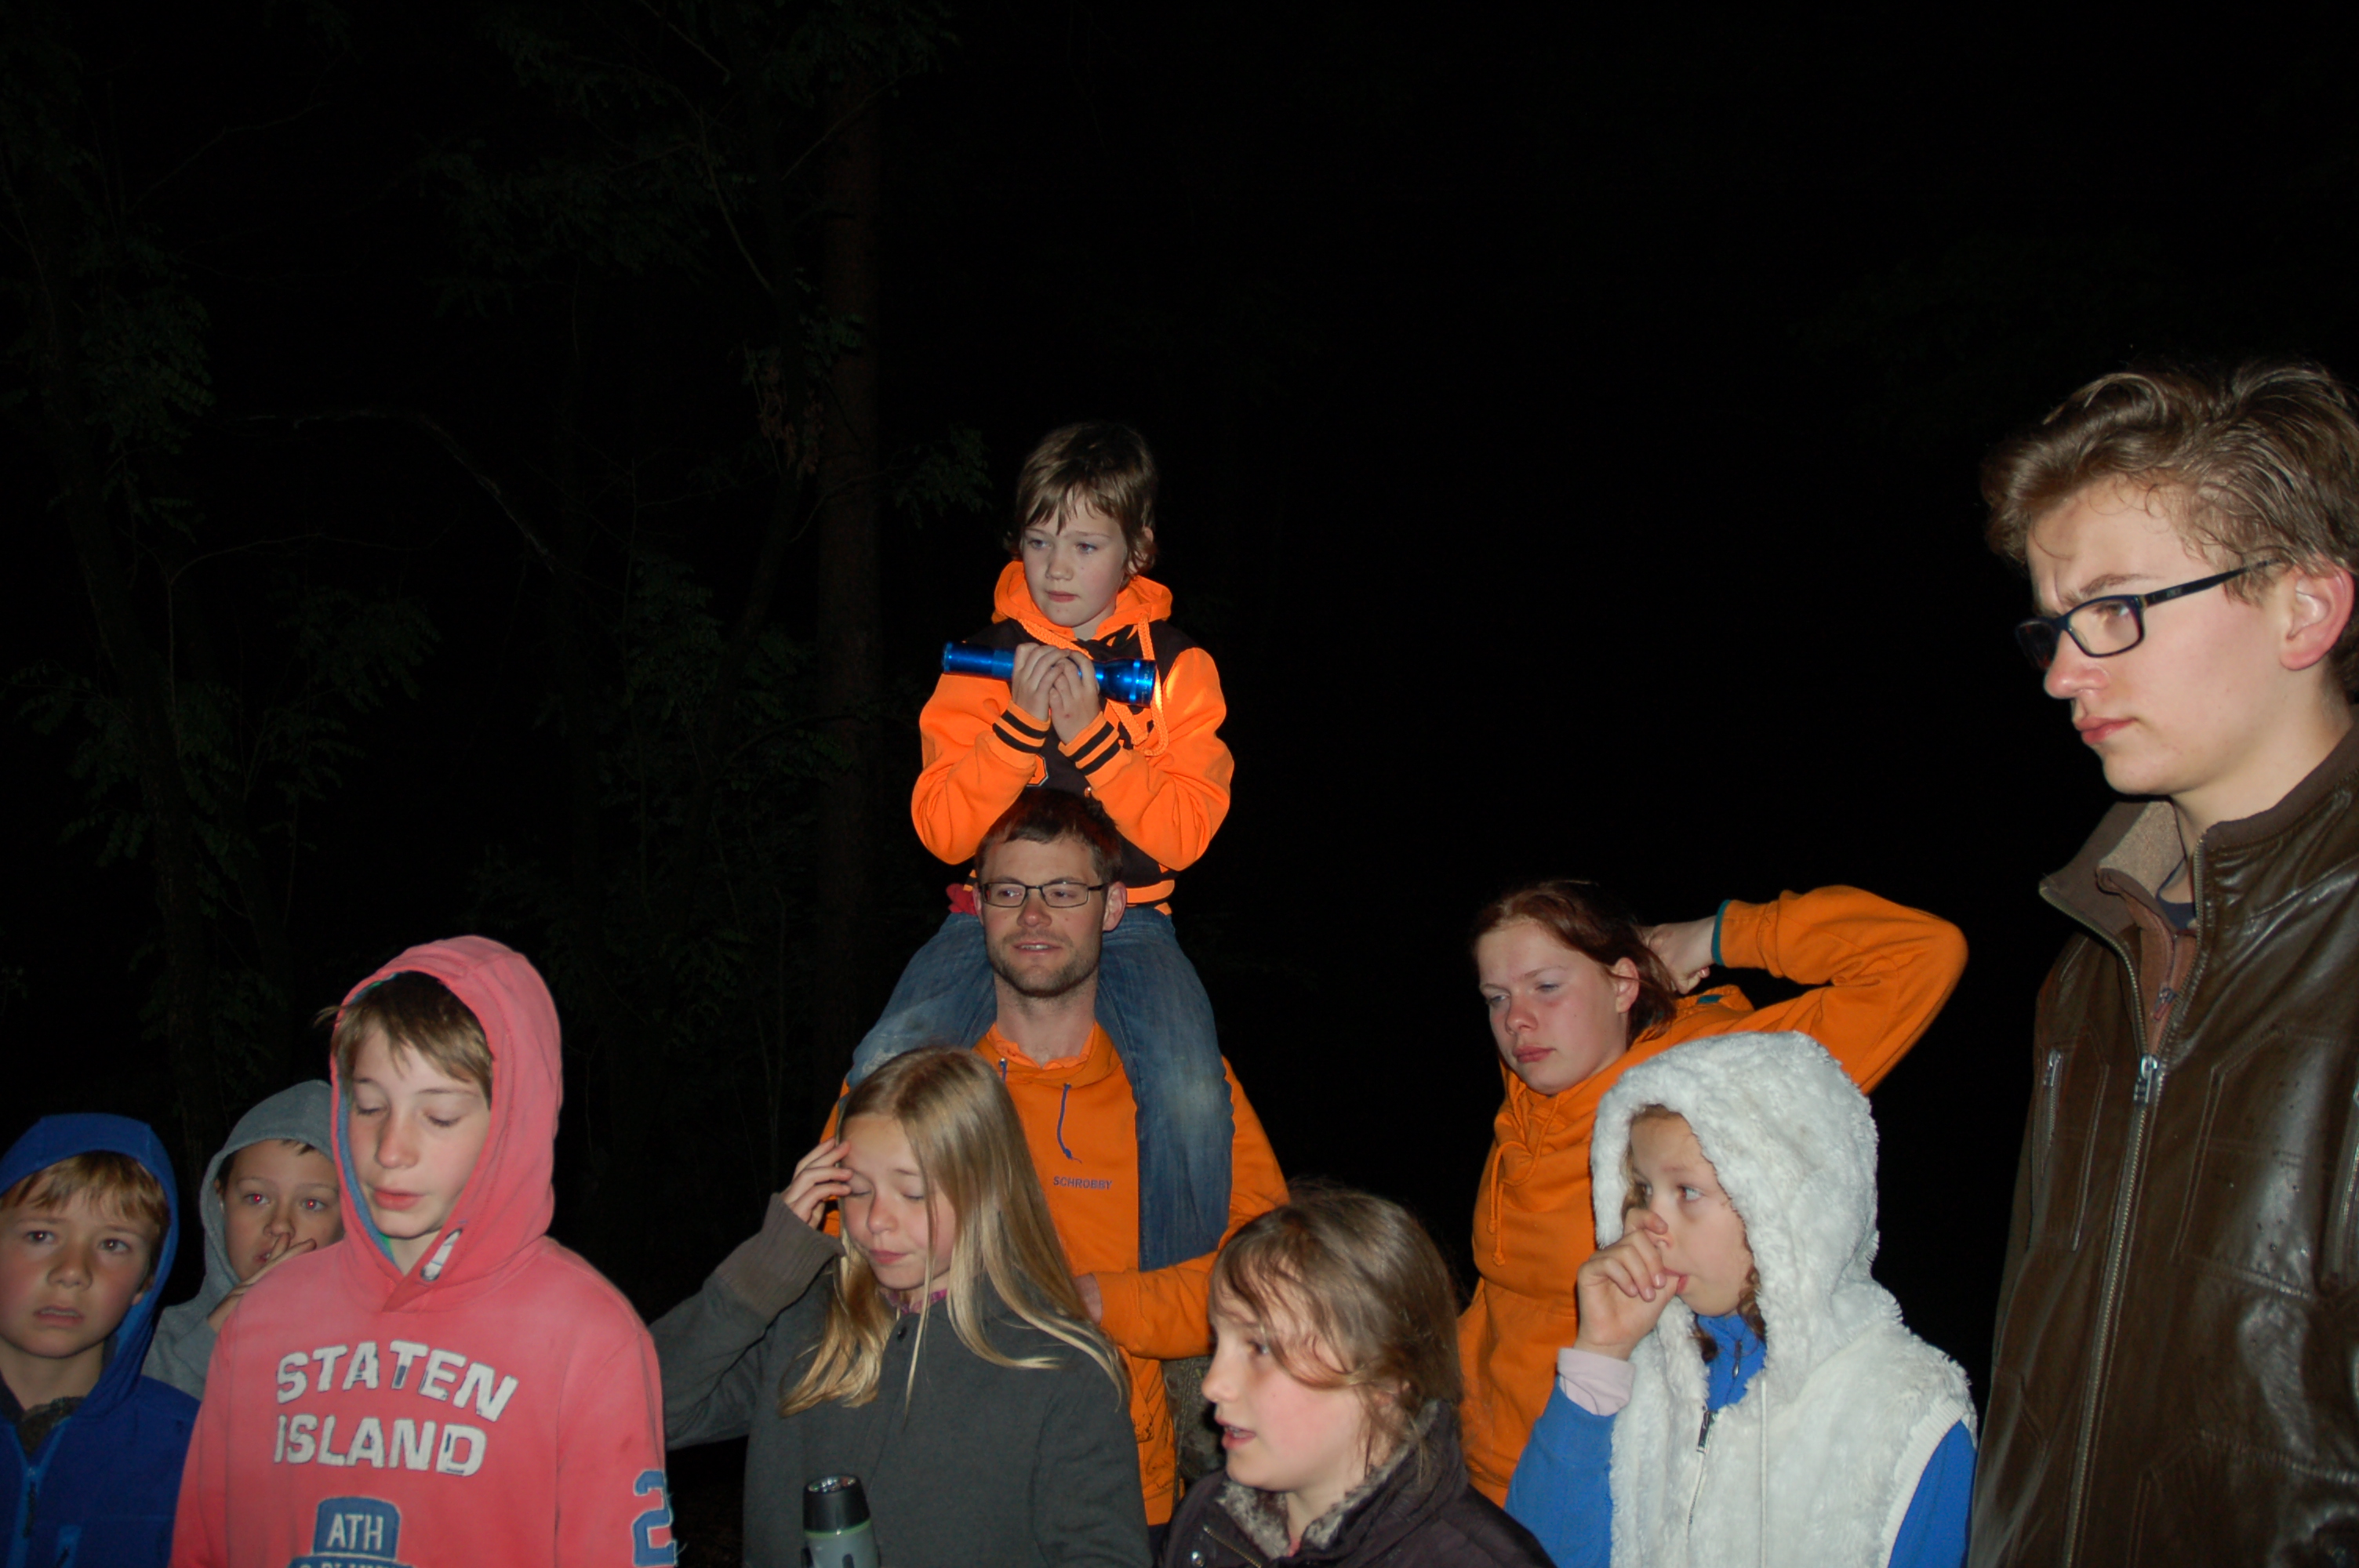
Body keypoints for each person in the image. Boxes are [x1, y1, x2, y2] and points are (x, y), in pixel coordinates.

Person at [1970, 360, 2359, 1563]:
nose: (2062, 672)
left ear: (2304, 609)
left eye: (2116, 608)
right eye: (2053, 624)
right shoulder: (2096, 957)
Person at [832, 789, 1288, 1537]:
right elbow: (828, 1252)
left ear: (1112, 908)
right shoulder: (913, 1087)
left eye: (1064, 892)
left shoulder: (1183, 1090)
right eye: (1009, 892)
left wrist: (1103, 1303)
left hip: (1119, 1488)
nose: (1034, 916)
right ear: (977, 905)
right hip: (930, 1478)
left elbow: (1270, 1271)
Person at [853, 421, 1238, 1279]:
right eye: (1038, 540)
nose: (1056, 568)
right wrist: (1019, 727)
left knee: (1190, 1095)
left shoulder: (1177, 669)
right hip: (982, 917)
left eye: (1086, 544)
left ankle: (1176, 1322)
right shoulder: (979, 662)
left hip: (1130, 922)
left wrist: (1095, 739)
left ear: (1137, 550)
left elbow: (1185, 835)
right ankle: (873, 1292)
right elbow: (942, 831)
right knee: (881, 1063)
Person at [170, 938, 674, 1568]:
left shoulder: (588, 1337)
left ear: (514, 1121)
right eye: (370, 1106)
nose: (390, 1149)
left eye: (438, 1116)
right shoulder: (262, 1321)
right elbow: (202, 1546)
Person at [1458, 880, 1966, 1501]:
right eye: (1496, 997)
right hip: (1478, 1473)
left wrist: (1718, 934)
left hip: (1605, 1488)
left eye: (1546, 986)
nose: (1516, 1020)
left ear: (1622, 985)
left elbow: (1921, 955)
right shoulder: (1529, 1095)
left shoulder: (1715, 1077)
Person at [656, 1047, 1148, 1568]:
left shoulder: (1062, 1371)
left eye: (911, 1193)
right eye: (856, 1190)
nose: (875, 1220)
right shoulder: (805, 1325)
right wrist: (761, 1276)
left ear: (989, 1191)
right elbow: (648, 1411)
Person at [1505, 1031, 1976, 1568]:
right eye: (1643, 1189)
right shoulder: (1640, 1375)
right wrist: (1600, 1355)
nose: (1647, 1222)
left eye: (1686, 1191)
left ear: (1783, 1200)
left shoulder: (1904, 1409)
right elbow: (1531, 1555)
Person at [1165, 1185, 1553, 1568]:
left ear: (1386, 1375)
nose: (1212, 1385)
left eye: (1259, 1347)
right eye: (1218, 1342)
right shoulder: (1208, 1519)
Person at [0, 1113, 196, 1568]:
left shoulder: (190, 1451)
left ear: (147, 1278)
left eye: (113, 1245)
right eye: (41, 1235)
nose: (72, 1271)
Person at [144, 1080, 342, 1399]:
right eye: (256, 1198)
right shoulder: (156, 1341)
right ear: (220, 1202)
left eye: (312, 1203)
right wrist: (211, 1342)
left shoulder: (380, 1348)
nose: (280, 1225)